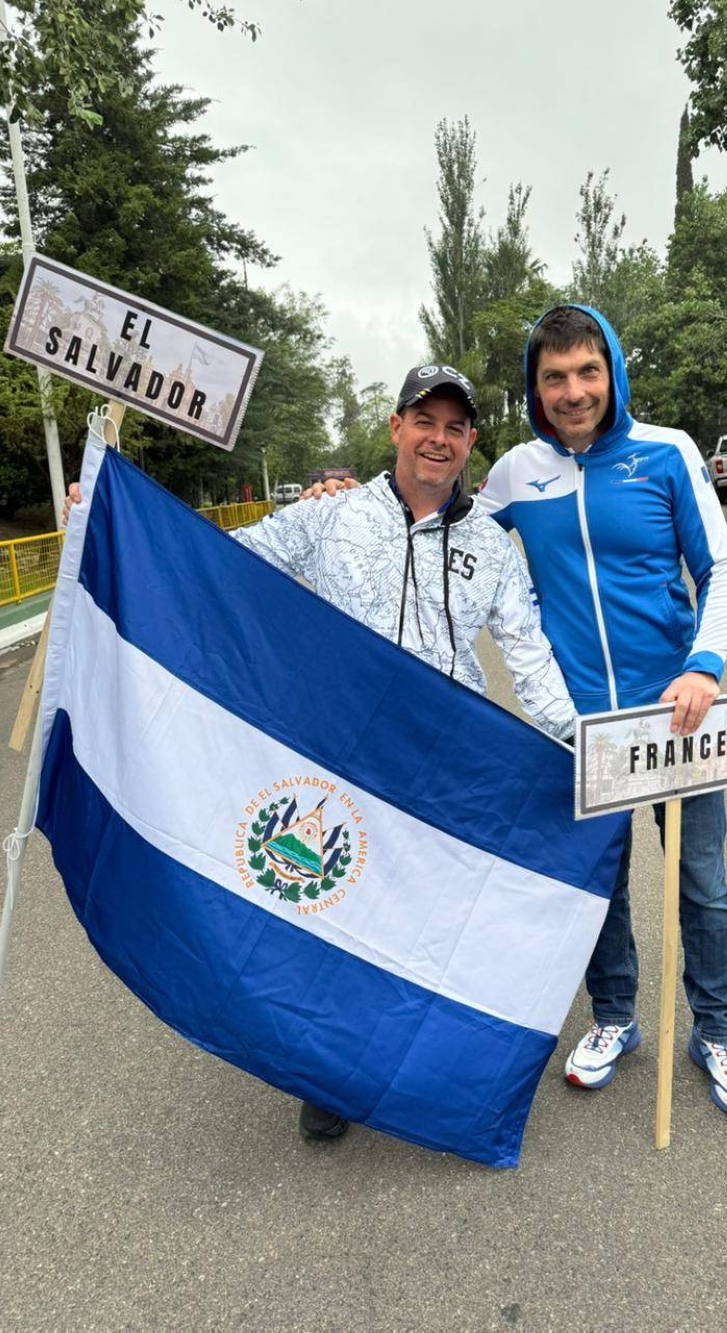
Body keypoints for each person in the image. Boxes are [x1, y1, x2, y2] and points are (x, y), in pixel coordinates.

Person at [65, 363, 579, 1141]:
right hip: (339, 762)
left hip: (443, 769)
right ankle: (329, 1075)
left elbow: (531, 660)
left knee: (428, 926)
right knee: (335, 924)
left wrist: (588, 746)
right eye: (424, 420)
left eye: (455, 426)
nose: (438, 439)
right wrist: (104, 521)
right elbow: (211, 558)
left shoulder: (492, 547)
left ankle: (419, 1069)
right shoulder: (330, 516)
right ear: (396, 427)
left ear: (471, 440)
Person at [477, 305, 727, 1117]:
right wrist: (341, 497)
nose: (574, 392)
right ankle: (614, 1018)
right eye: (555, 377)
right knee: (600, 887)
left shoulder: (665, 453)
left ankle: (717, 1031)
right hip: (580, 732)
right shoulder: (514, 474)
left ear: (612, 372)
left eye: (587, 372)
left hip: (675, 722)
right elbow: (435, 530)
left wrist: (703, 667)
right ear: (534, 387)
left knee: (701, 884)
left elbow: (721, 570)